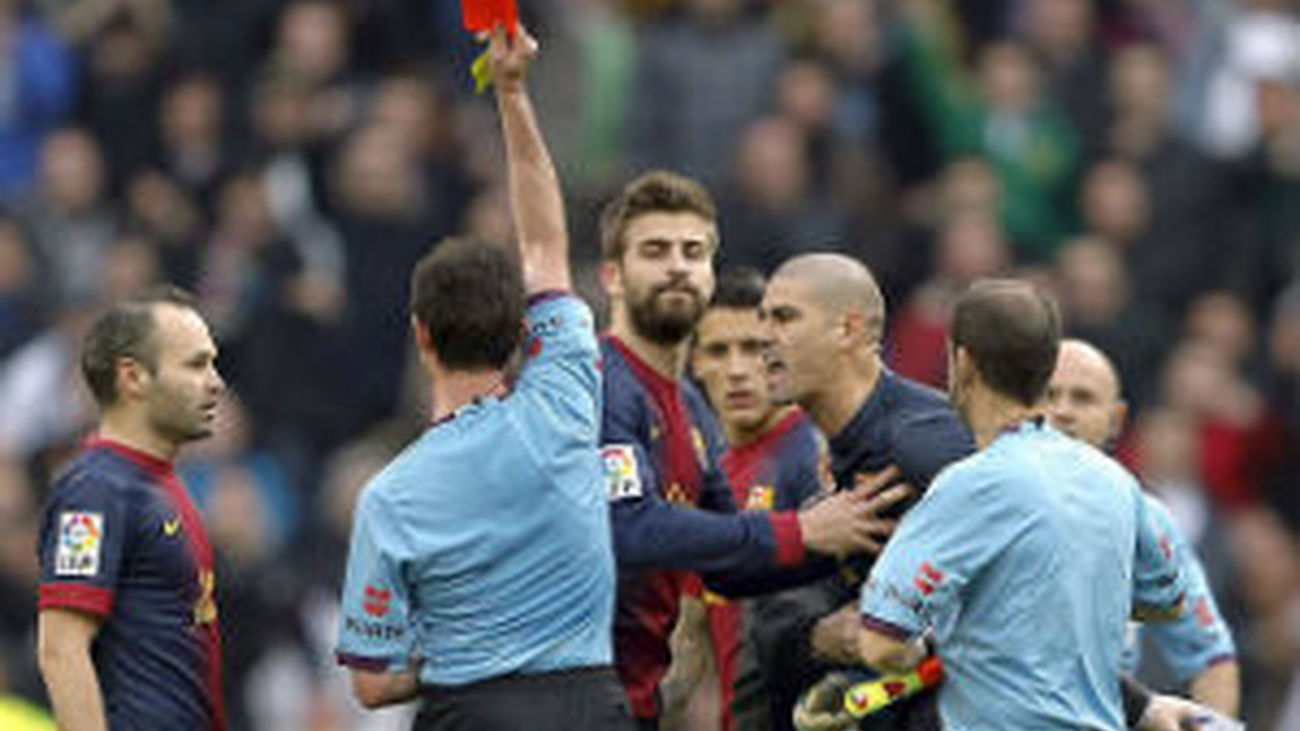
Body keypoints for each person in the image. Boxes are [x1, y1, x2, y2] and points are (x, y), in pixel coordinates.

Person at [333, 26, 631, 730]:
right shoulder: (565, 400)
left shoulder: (390, 497)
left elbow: (371, 686)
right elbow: (545, 244)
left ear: (421, 336)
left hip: (468, 710)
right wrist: (513, 92)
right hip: (593, 703)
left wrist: (451, 657)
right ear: (524, 333)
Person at [597, 172, 899, 730]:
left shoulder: (690, 408)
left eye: (692, 252)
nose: (677, 267)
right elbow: (629, 527)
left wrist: (845, 541)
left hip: (634, 704)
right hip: (574, 697)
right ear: (612, 275)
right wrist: (803, 532)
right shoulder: (602, 385)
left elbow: (728, 566)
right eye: (655, 251)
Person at [855, 279, 1187, 729]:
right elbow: (1167, 602)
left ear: (962, 362)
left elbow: (881, 643)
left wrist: (930, 652)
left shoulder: (968, 485)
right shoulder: (1116, 481)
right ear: (1048, 369)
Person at [759, 252, 973, 731]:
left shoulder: (920, 441)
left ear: (848, 330)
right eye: (763, 319)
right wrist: (822, 637)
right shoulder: (826, 462)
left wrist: (920, 640)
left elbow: (1027, 559)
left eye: (785, 318)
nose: (764, 337)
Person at [35, 285, 227, 731]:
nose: (216, 382)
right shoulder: (96, 492)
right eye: (196, 365)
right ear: (133, 377)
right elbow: (61, 650)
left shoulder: (153, 483)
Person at [1043, 338, 1240, 715]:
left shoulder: (1148, 521)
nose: (1063, 411)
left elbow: (1211, 658)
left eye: (1082, 398)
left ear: (1116, 420)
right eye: (1049, 395)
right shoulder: (975, 495)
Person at [674, 267, 830, 731]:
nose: (738, 370)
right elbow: (688, 637)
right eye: (719, 351)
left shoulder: (815, 457)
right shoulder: (706, 477)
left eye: (755, 349)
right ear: (695, 362)